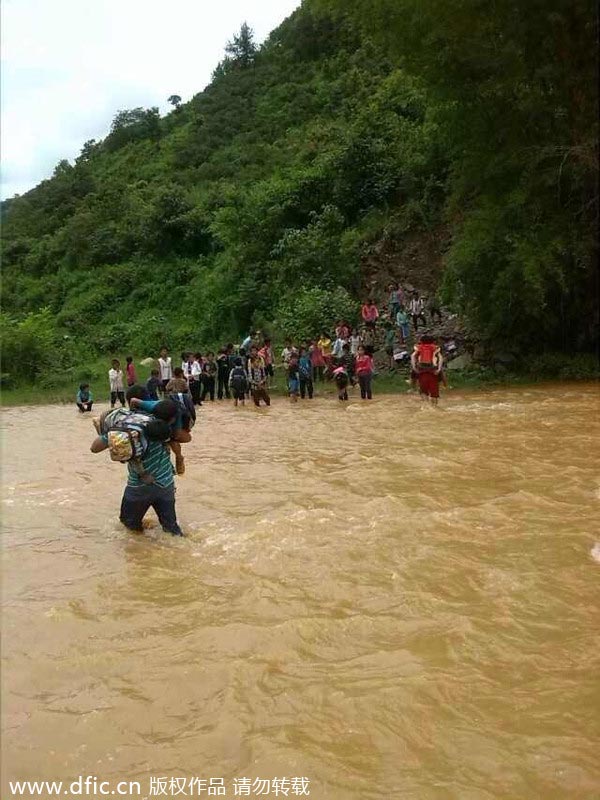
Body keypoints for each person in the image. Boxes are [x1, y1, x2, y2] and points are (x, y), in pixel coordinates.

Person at [90, 399, 184, 537]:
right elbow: (176, 444)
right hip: (166, 485)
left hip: (139, 487)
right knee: (171, 529)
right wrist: (180, 459)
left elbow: (94, 448)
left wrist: (112, 434)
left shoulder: (131, 429)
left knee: (129, 527)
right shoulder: (165, 429)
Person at [411, 334, 443, 405]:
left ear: (421, 341)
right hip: (433, 371)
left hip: (421, 371)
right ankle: (444, 385)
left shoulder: (419, 347)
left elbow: (413, 356)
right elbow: (440, 359)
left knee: (423, 390)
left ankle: (413, 386)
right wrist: (439, 369)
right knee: (434, 391)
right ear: (432, 342)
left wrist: (414, 367)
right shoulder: (435, 348)